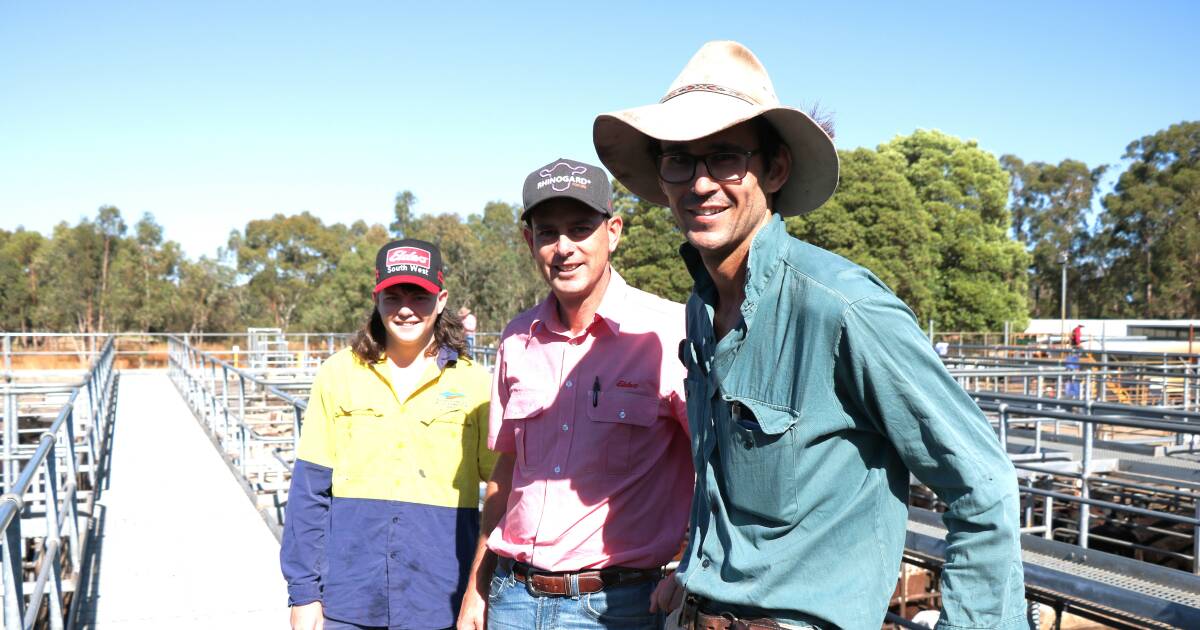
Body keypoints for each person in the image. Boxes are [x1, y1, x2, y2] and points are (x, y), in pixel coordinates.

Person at [594, 41, 1027, 629]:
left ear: (774, 169)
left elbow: (984, 486)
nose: (699, 184)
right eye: (678, 160)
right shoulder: (700, 310)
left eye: (724, 157)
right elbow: (724, 480)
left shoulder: (843, 308)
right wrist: (694, 570)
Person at [456, 158, 692, 630]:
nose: (564, 248)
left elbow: (717, 464)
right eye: (547, 232)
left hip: (617, 607)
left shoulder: (670, 332)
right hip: (513, 597)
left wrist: (692, 569)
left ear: (614, 231)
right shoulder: (516, 338)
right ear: (530, 242)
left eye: (581, 228)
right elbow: (506, 473)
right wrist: (476, 590)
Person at [281, 239, 496, 630]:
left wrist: (480, 589)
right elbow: (309, 491)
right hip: (347, 601)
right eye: (393, 296)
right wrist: (304, 594)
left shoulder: (475, 382)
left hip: (440, 601)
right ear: (376, 297)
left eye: (420, 295)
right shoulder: (337, 374)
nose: (406, 308)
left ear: (442, 299)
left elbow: (503, 491)